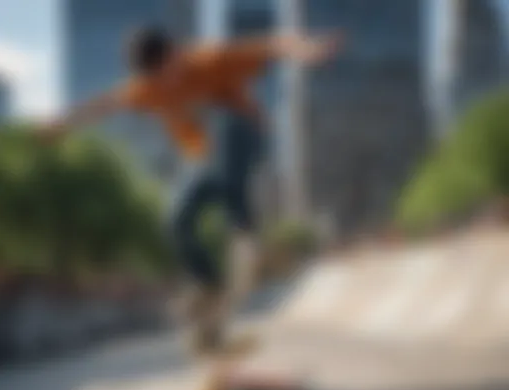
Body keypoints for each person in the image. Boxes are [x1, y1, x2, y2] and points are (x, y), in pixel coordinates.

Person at [40, 26, 343, 351]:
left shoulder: (210, 59)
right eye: (156, 78)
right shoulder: (147, 88)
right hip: (203, 163)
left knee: (223, 124)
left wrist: (309, 49)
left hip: (247, 138)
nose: (167, 83)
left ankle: (247, 241)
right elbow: (105, 103)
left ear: (176, 52)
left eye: (169, 71)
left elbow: (272, 44)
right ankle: (210, 288)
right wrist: (63, 122)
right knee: (176, 221)